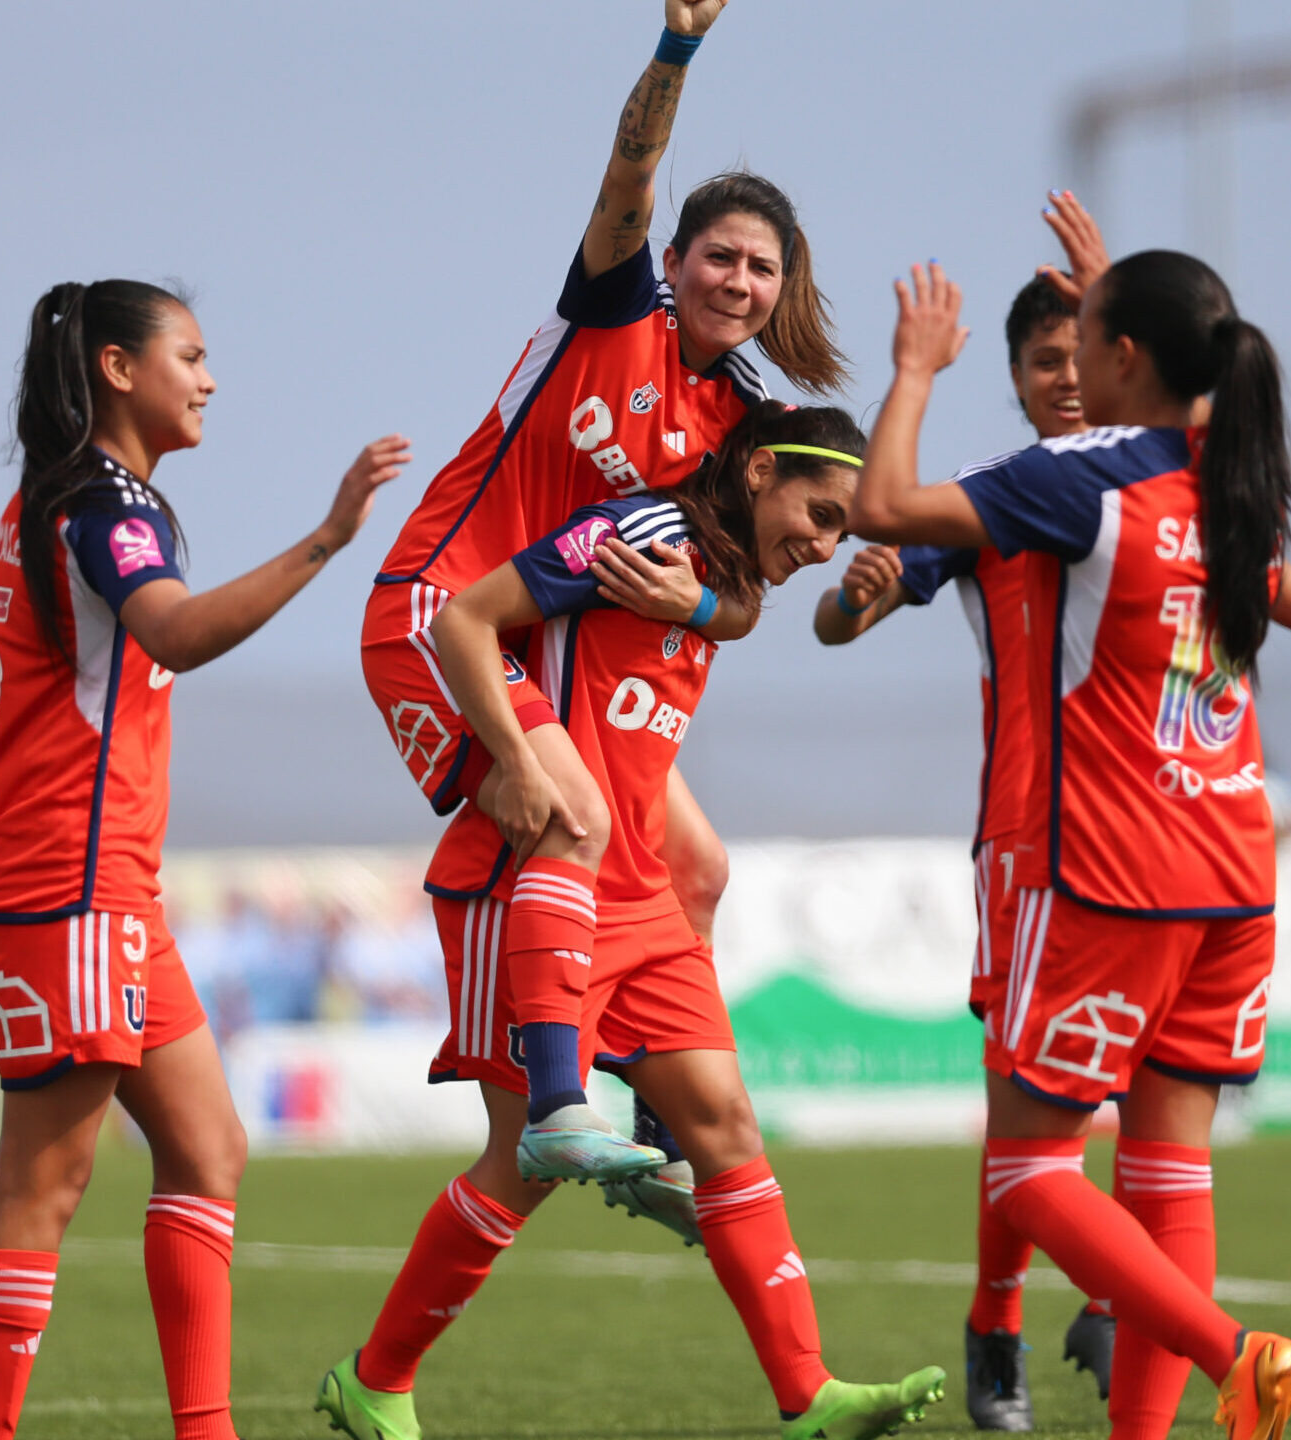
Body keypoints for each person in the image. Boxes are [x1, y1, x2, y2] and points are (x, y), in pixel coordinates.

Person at [822, 199, 1291, 1437]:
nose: (1065, 367)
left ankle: (1233, 1351)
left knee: (1028, 1168)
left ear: (1120, 358)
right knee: (1171, 1175)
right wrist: (1140, 309)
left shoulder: (1073, 484)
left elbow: (883, 504)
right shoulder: (1237, 485)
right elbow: (1278, 553)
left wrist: (909, 371)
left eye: (1087, 340)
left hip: (1106, 872)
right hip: (1232, 873)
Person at [315, 402, 947, 1440]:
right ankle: (376, 1378)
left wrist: (709, 613)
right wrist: (518, 767)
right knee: (518, 1167)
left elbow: (699, 644)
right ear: (755, 473)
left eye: (842, 531)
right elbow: (460, 619)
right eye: (818, 513)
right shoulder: (638, 534)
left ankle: (809, 1395)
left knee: (728, 1130)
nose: (825, 543)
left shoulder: (725, 584)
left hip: (643, 895)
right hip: (528, 883)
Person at [357, 0, 848, 1162]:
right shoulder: (613, 309)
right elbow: (632, 167)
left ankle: (650, 1106)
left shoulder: (747, 425)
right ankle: (561, 1109)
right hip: (437, 613)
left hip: (529, 641)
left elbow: (748, 591)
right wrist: (675, 48)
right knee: (568, 812)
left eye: (761, 267)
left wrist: (702, 606)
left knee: (699, 864)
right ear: (671, 259)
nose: (738, 279)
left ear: (783, 289)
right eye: (718, 254)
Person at [0, 279, 409, 1440]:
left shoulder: (47, 501)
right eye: (191, 356)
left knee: (208, 1147)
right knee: (42, 1185)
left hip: (91, 882)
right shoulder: (109, 508)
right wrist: (325, 539)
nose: (208, 379)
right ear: (117, 368)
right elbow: (174, 632)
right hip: (70, 882)